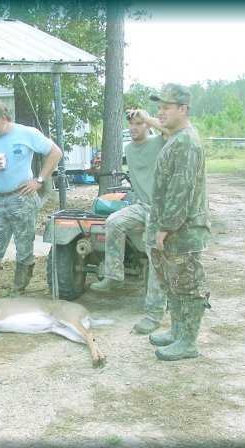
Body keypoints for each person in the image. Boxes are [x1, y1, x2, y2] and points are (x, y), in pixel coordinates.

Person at [145, 83, 211, 361]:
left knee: (187, 285)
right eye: (158, 107)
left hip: (182, 232)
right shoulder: (176, 136)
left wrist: (165, 228)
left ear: (183, 109)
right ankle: (177, 331)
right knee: (171, 283)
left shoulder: (187, 142)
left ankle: (188, 341)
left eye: (166, 107)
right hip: (170, 228)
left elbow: (181, 191)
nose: (160, 112)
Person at [0, 98, 63, 300]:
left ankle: (17, 294)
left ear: (4, 118)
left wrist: (39, 180)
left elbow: (55, 152)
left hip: (22, 198)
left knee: (24, 248)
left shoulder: (27, 133)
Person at [90, 109, 169, 335]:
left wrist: (146, 115)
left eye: (139, 123)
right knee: (113, 221)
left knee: (155, 256)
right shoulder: (128, 149)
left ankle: (154, 314)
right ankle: (114, 276)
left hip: (161, 209)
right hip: (141, 205)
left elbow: (171, 130)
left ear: (147, 126)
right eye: (132, 124)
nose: (134, 128)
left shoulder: (158, 142)